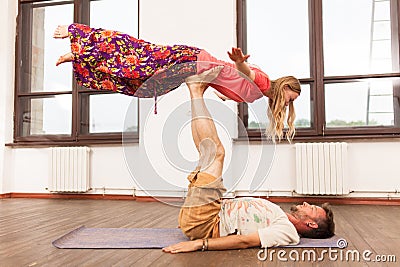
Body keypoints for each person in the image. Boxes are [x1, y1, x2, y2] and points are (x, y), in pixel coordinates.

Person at [162, 81, 334, 254]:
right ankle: (195, 91)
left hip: (208, 221)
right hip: (208, 212)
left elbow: (244, 241)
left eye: (310, 208)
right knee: (208, 153)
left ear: (311, 224)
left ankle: (196, 90)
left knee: (215, 154)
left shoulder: (287, 232)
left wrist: (200, 243)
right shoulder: (279, 215)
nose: (305, 203)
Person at [53, 24, 301, 142]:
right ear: (286, 87)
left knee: (142, 81)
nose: (290, 103)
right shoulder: (265, 83)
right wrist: (239, 63)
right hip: (192, 60)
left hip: (192, 68)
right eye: (292, 97)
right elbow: (246, 74)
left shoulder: (258, 95)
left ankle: (83, 57)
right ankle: (77, 36)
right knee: (136, 55)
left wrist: (221, 91)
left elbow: (232, 88)